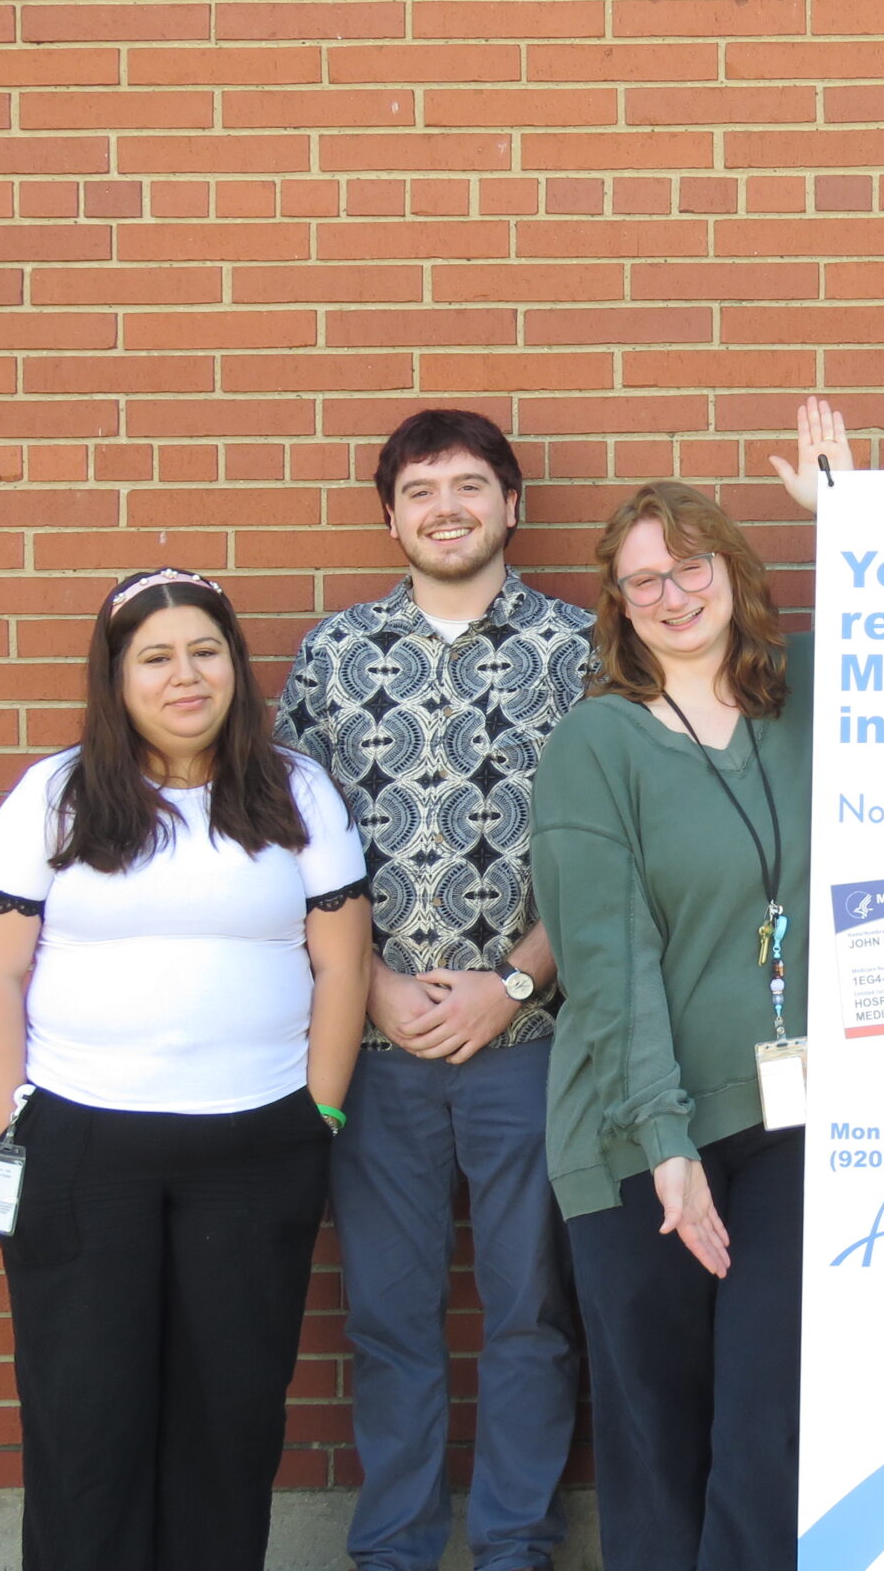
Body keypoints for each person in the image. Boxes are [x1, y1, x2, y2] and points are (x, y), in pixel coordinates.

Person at [0, 567, 372, 1571]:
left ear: (233, 664)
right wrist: (16, 1122)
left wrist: (317, 1112)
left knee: (228, 1420)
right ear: (115, 678)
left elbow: (343, 959)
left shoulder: (294, 790)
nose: (185, 676)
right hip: (81, 1148)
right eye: (156, 657)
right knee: (84, 1419)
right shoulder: (53, 797)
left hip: (255, 1146)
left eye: (204, 651)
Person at [275, 410, 589, 1571]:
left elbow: (616, 846)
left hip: (536, 1045)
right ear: (391, 515)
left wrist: (513, 983)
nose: (446, 506)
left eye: (470, 484)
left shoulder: (585, 648)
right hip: (378, 1055)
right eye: (419, 490)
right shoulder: (333, 655)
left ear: (512, 504)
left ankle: (514, 1546)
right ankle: (395, 1551)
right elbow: (288, 851)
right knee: (390, 1322)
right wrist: (372, 992)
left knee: (531, 1320)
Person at [531, 434, 845, 1571]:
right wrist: (665, 1143)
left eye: (693, 565)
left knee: (769, 1430)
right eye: (645, 578)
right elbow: (605, 966)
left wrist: (842, 514)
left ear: (736, 570)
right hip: (631, 1138)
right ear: (618, 604)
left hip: (789, 1127)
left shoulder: (807, 694)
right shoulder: (597, 745)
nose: (673, 594)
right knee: (659, 1448)